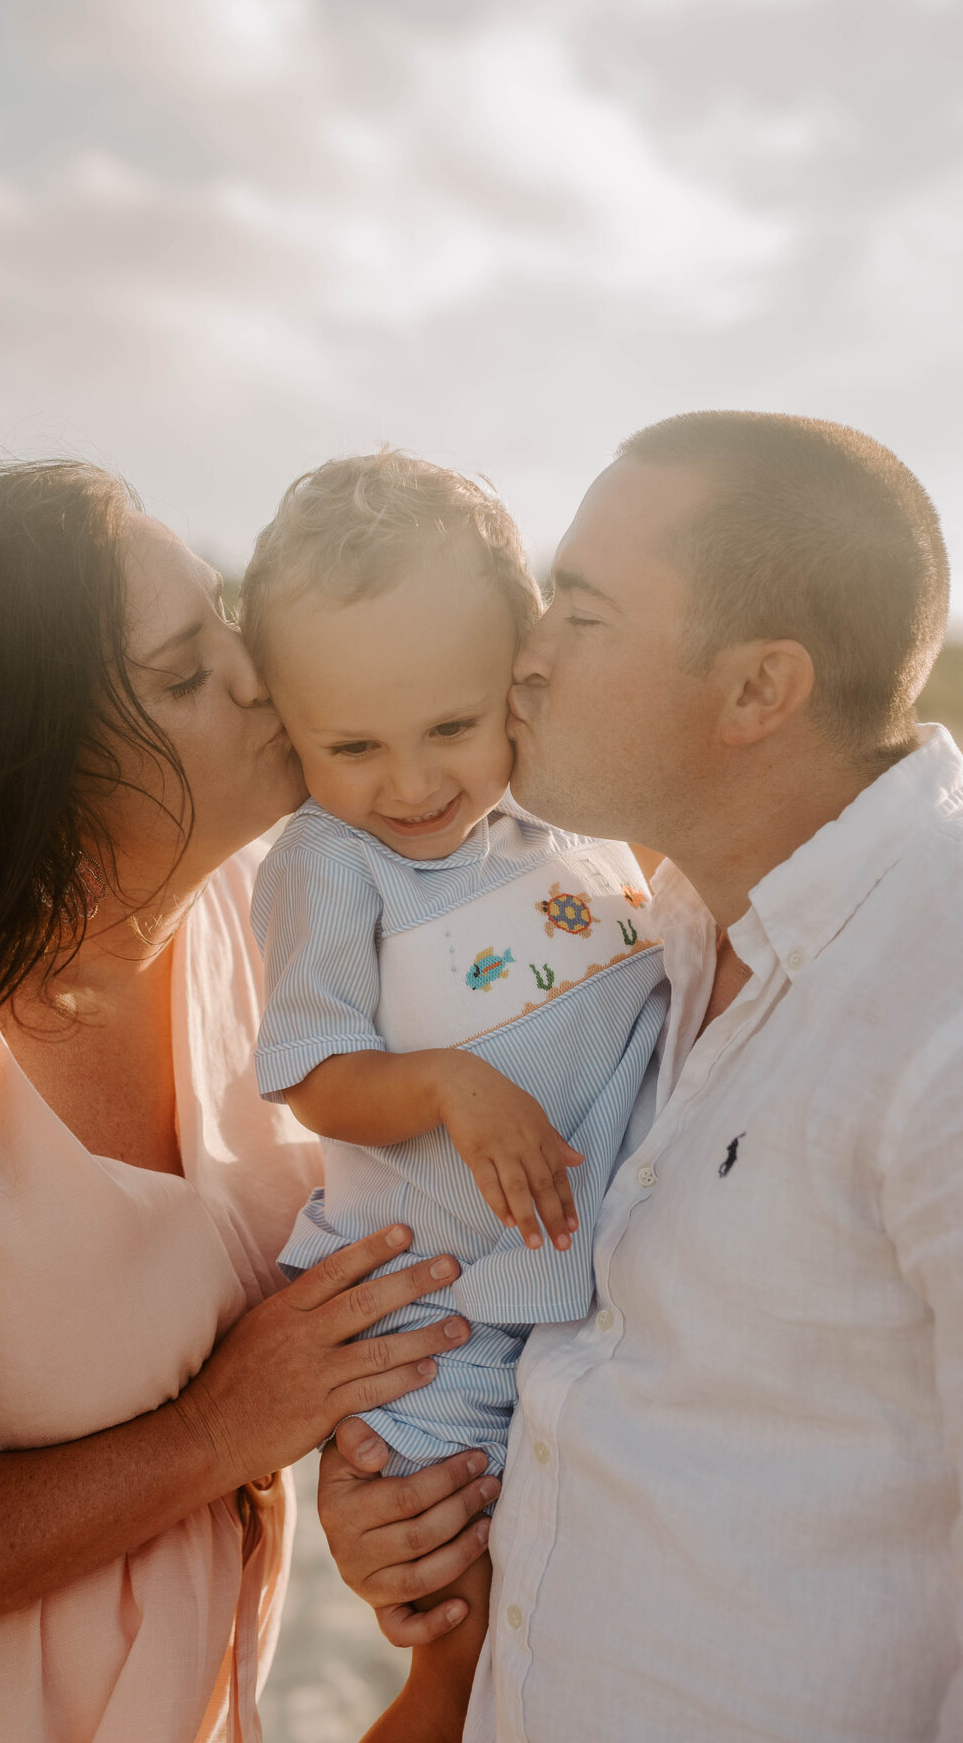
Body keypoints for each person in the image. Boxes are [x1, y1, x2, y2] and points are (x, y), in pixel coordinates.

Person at [320, 410, 963, 1742]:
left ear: (758, 690)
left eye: (577, 614)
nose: (520, 656)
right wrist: (422, 1507)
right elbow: (636, 1379)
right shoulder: (660, 932)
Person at [0, 461, 474, 1743]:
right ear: (44, 779)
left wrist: (357, 1457)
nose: (251, 672)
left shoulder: (275, 918)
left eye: (223, 616)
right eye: (182, 674)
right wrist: (216, 1435)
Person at [237, 451, 665, 1714]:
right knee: (459, 1584)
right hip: (447, 1297)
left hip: (597, 1274)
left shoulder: (569, 813)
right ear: (288, 724)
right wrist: (442, 1085)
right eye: (351, 744)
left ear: (517, 675)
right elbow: (312, 1072)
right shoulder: (332, 862)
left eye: (451, 729)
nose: (412, 784)